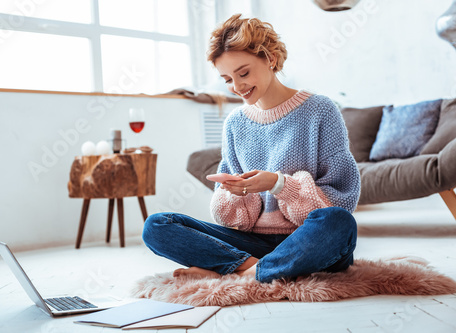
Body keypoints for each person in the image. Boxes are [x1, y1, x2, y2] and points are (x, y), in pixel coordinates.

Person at [142, 14, 361, 283]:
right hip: (254, 242)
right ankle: (256, 270)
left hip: (309, 239)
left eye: (243, 73)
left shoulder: (321, 110)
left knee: (338, 223)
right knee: (157, 226)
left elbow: (342, 198)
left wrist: (278, 184)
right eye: (227, 79)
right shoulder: (235, 123)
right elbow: (233, 220)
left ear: (270, 58)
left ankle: (238, 272)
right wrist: (236, 191)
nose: (237, 87)